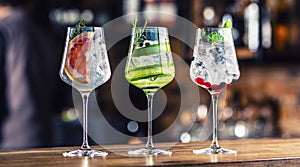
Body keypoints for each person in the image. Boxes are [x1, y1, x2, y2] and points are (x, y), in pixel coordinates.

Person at [0, 0, 68, 149]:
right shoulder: (49, 33)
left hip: (8, 141)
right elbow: (60, 100)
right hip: (45, 137)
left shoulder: (5, 31)